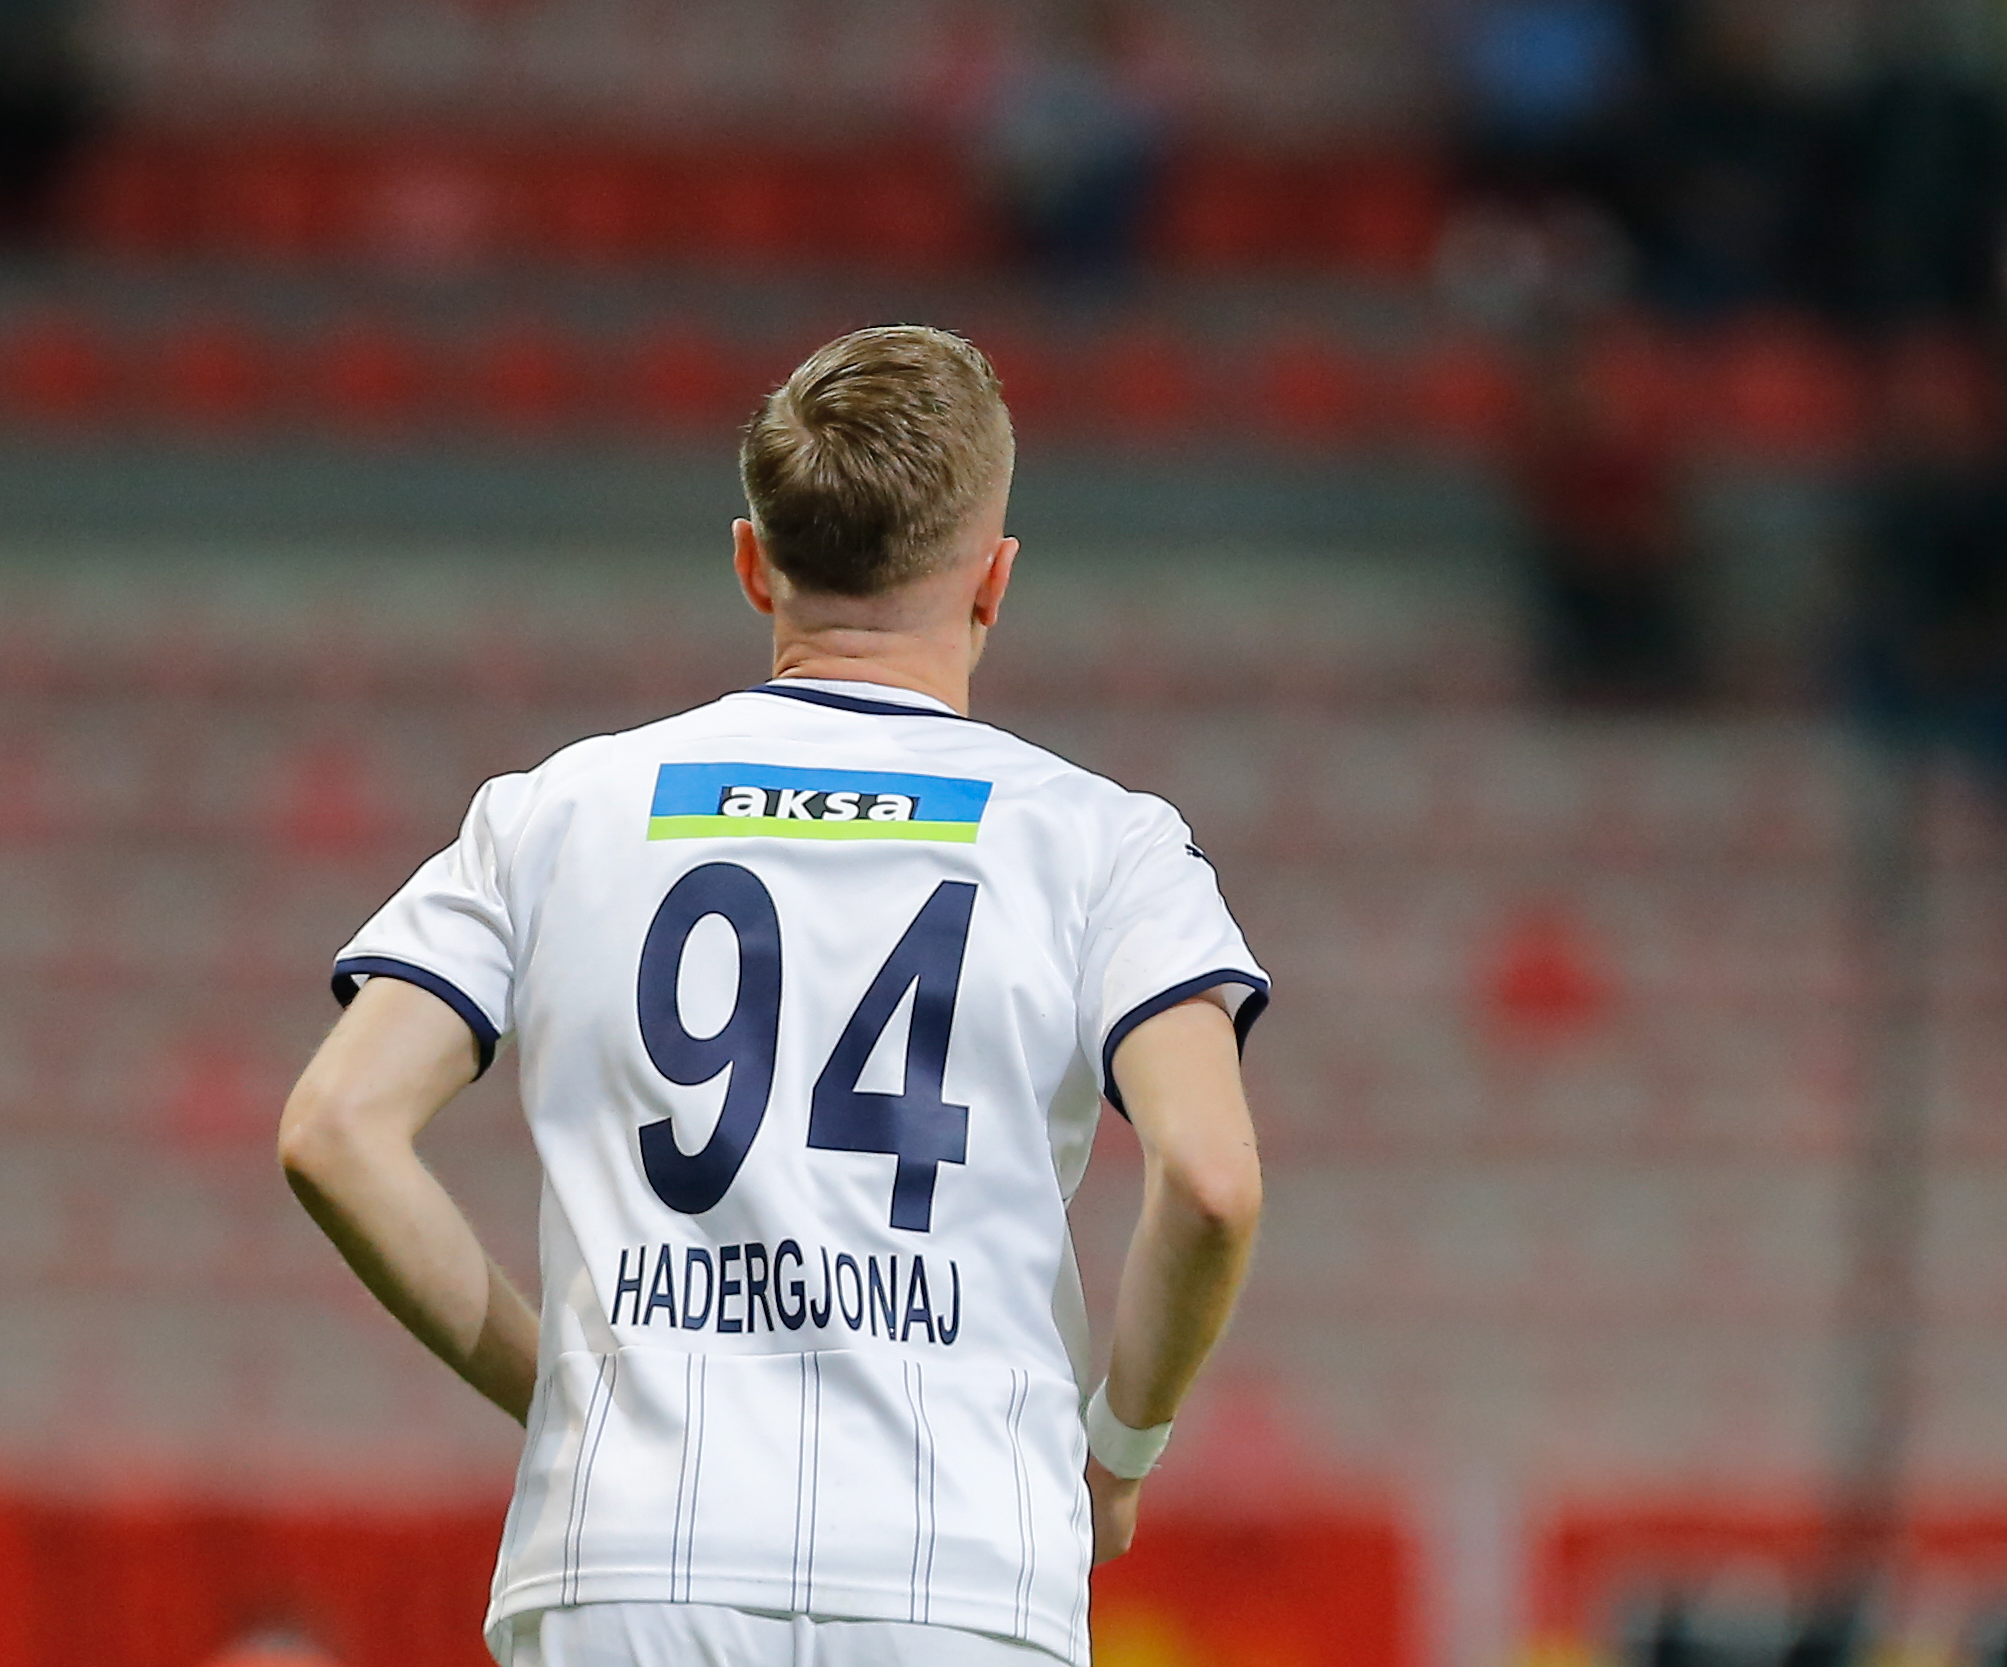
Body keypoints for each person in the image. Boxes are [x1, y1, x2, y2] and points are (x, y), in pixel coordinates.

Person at [277, 325, 1267, 1667]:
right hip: (960, 1570)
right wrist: (1119, 1449)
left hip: (631, 1558)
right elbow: (1210, 1179)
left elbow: (334, 1129)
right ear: (995, 580)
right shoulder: (1101, 843)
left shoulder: (559, 811)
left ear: (752, 563)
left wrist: (557, 1391)